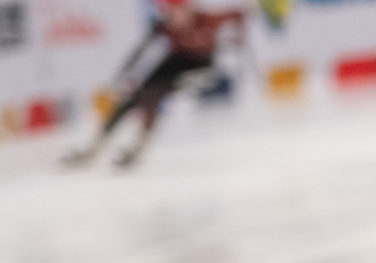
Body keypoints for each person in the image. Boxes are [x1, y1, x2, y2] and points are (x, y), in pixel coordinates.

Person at [60, 0, 248, 170]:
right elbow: (141, 49)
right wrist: (124, 72)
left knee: (151, 97)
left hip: (198, 66)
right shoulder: (164, 26)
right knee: (129, 99)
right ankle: (93, 147)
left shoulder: (208, 19)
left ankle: (138, 147)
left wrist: (236, 40)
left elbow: (239, 13)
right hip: (174, 62)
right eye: (168, 13)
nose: (172, 19)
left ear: (188, 9)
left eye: (176, 13)